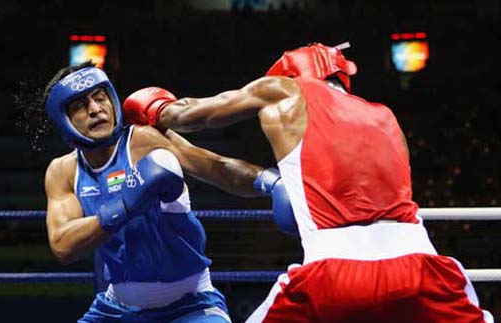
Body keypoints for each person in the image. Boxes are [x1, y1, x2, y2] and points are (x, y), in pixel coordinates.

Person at [122, 42, 494, 323]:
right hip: (422, 267)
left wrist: (156, 108)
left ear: (290, 74)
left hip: (334, 272)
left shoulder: (283, 91)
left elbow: (195, 117)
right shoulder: (386, 115)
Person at [39, 61, 293, 323]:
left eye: (100, 98)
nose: (96, 110)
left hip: (190, 305)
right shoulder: (63, 171)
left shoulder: (144, 140)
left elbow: (216, 168)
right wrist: (125, 204)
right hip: (116, 310)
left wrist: (270, 182)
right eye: (81, 106)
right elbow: (63, 245)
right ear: (65, 120)